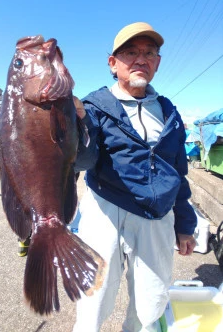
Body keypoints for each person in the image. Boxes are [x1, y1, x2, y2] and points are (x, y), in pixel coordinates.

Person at [72, 22, 197, 332]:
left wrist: (185, 224)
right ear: (113, 63)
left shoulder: (169, 111)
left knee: (151, 302)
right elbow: (84, 161)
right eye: (130, 52)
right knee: (94, 299)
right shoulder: (93, 107)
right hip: (106, 211)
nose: (141, 59)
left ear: (157, 62)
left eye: (149, 52)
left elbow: (178, 171)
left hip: (157, 217)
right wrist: (77, 125)